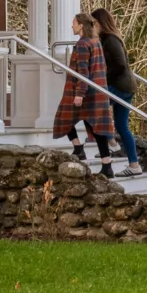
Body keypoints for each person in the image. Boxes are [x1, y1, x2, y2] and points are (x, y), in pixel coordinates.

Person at [53, 12, 116, 177]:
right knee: (96, 127)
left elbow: (83, 71)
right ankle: (106, 165)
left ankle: (79, 148)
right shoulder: (96, 42)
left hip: (84, 90)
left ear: (81, 25)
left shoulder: (82, 44)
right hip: (98, 90)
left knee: (63, 117)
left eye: (74, 23)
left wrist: (79, 94)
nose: (72, 26)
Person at [92, 6, 142, 177]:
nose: (92, 27)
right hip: (126, 85)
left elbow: (120, 64)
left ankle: (110, 142)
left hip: (121, 85)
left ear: (99, 23)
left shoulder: (111, 39)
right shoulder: (107, 39)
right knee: (122, 126)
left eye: (93, 24)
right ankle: (134, 165)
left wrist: (105, 81)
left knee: (95, 108)